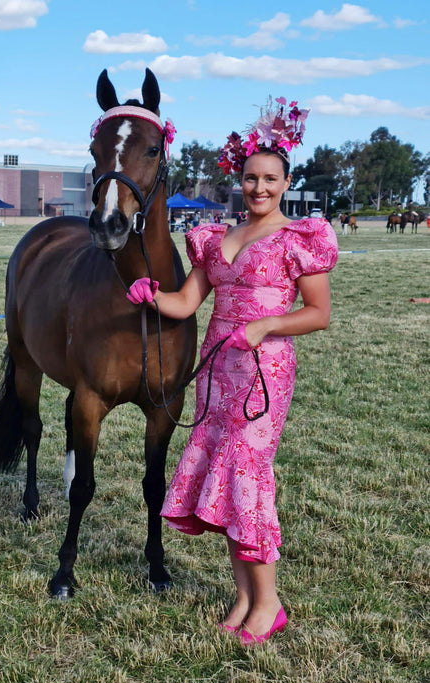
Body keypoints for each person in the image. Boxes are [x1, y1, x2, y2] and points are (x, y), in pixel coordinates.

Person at [127, 97, 338, 646]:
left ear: (287, 180)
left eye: (270, 179)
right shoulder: (215, 238)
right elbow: (187, 302)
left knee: (248, 478)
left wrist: (266, 327)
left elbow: (318, 314)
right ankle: (243, 596)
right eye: (250, 178)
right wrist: (153, 295)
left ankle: (269, 603)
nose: (259, 188)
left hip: (263, 373)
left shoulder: (300, 240)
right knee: (224, 478)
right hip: (217, 371)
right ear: (238, 181)